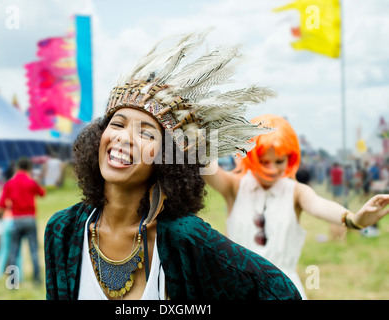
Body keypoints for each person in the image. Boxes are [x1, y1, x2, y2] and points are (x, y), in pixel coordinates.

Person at [44, 31, 301, 300]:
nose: (123, 138)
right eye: (117, 124)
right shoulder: (63, 230)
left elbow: (279, 292)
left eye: (145, 133)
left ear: (168, 158)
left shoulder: (184, 237)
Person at [204, 114, 389, 299]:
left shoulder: (295, 192)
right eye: (264, 161)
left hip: (282, 290)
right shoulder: (235, 187)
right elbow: (206, 167)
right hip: (239, 290)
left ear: (289, 158)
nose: (272, 169)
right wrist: (197, 131)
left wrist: (353, 219)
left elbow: (320, 205)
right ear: (250, 156)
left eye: (279, 161)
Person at [0, 157, 46, 284]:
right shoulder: (31, 181)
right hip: (30, 219)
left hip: (16, 219)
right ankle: (37, 279)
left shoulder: (10, 183)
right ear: (29, 168)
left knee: (14, 251)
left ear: (17, 167)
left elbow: (1, 204)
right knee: (33, 250)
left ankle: (13, 282)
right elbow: (42, 194)